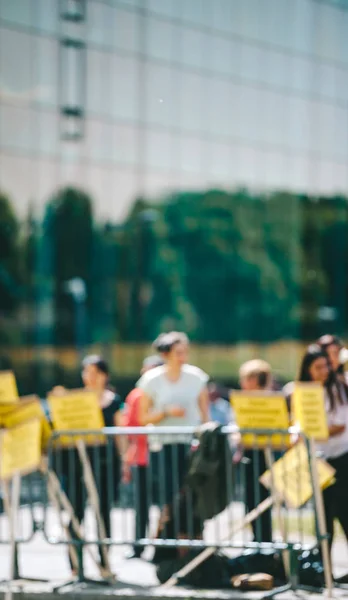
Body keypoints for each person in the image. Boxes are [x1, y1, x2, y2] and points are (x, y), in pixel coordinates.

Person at [57, 355, 123, 575]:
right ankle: (75, 565)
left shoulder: (113, 402)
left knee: (103, 514)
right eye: (87, 372)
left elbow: (121, 434)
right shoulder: (75, 400)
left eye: (95, 373)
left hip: (105, 464)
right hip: (77, 465)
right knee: (75, 514)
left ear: (105, 376)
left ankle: (105, 563)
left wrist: (124, 461)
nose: (90, 378)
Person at [137, 332, 209, 524]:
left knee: (191, 494)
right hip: (163, 446)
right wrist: (166, 412)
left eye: (184, 352)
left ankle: (191, 538)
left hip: (190, 445)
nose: (182, 357)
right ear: (166, 354)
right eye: (178, 353)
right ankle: (168, 537)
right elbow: (142, 417)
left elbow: (205, 416)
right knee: (167, 496)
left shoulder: (197, 377)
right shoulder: (151, 380)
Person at [297, 344, 348, 555]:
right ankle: (324, 567)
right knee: (323, 515)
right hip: (318, 460)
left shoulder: (339, 388)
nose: (324, 371)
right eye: (318, 367)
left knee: (344, 512)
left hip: (340, 457)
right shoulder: (302, 391)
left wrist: (314, 433)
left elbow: (340, 424)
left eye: (326, 366)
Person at [123, 354, 164, 559]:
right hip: (143, 456)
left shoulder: (164, 393)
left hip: (162, 455)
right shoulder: (138, 396)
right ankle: (142, 545)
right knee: (143, 505)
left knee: (164, 504)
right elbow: (129, 427)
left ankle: (162, 545)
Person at [237, 359, 273, 543]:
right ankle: (256, 538)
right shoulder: (243, 401)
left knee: (264, 500)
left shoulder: (267, 401)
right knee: (250, 500)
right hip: (249, 454)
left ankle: (264, 538)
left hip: (266, 455)